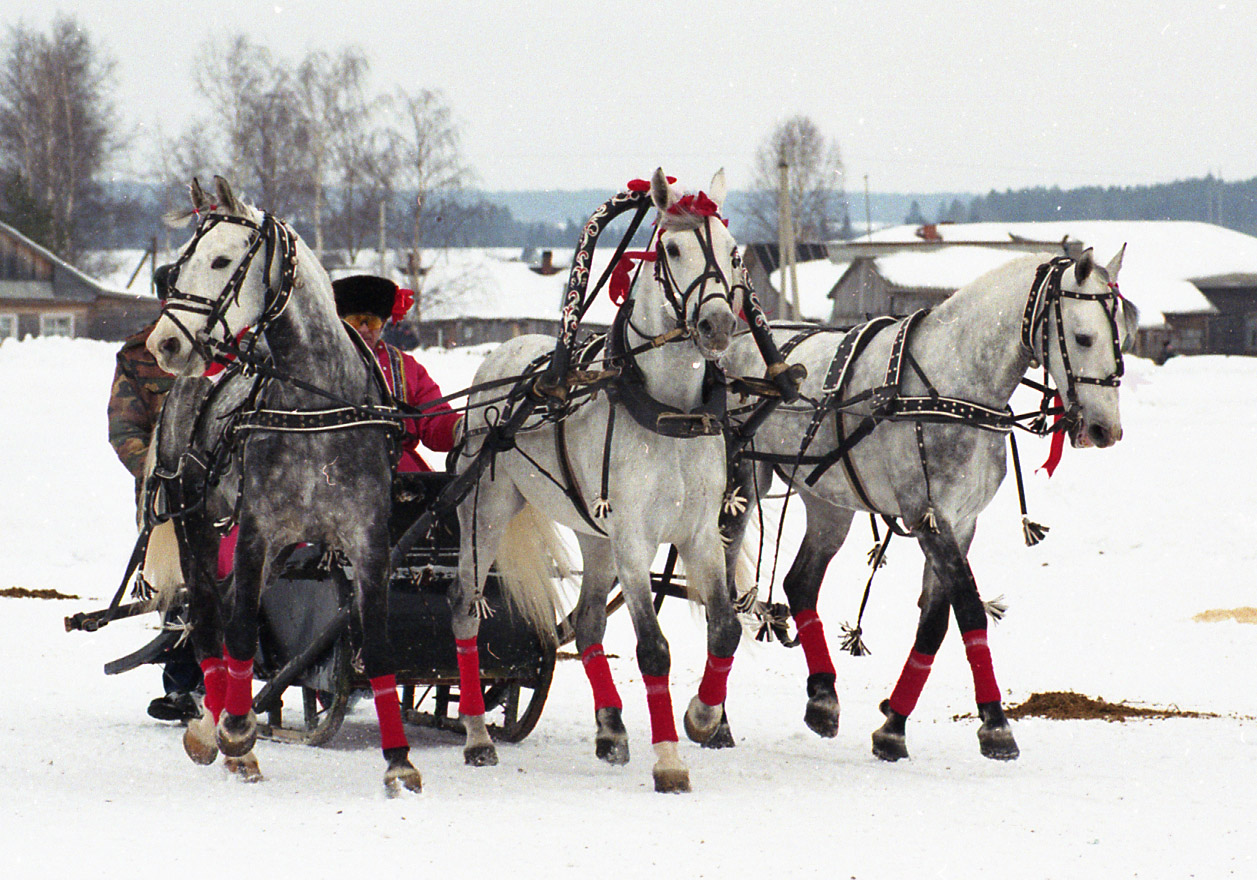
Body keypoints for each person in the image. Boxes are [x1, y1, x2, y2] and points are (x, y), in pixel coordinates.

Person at [107, 265, 203, 723]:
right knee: (177, 590)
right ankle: (184, 687)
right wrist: (157, 474)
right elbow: (125, 428)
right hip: (171, 495)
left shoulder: (239, 350)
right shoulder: (139, 355)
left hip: (240, 489)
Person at [332, 275, 463, 471]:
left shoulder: (407, 367)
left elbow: (433, 417)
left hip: (398, 470)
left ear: (383, 324)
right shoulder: (323, 362)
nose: (364, 329)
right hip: (335, 466)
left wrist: (461, 427)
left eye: (372, 321)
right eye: (356, 321)